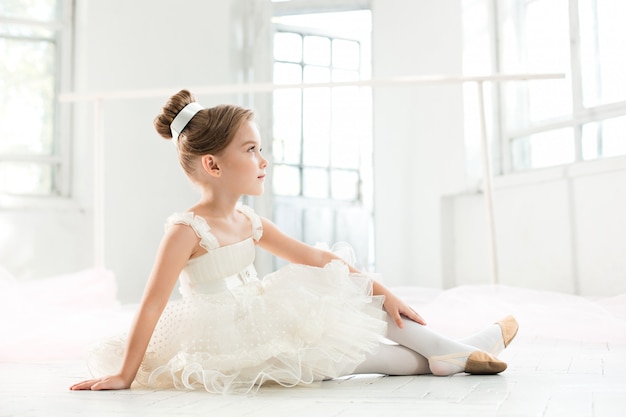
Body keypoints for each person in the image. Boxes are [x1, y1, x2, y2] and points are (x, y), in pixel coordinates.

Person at [70, 90, 518, 394]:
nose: (263, 161)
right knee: (355, 357)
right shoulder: (185, 231)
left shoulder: (248, 218)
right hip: (228, 340)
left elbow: (318, 258)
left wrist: (384, 295)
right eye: (250, 150)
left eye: (260, 149)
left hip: (264, 315)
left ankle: (450, 352)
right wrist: (125, 374)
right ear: (212, 164)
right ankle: (454, 351)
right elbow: (151, 303)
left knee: (340, 286)